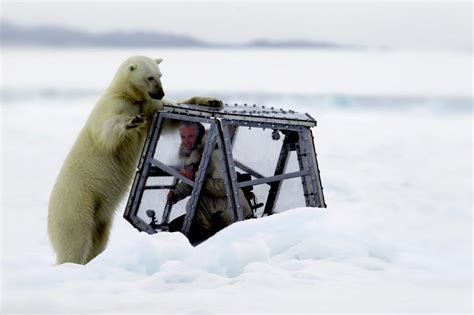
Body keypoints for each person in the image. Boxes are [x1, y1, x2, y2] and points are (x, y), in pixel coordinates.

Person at [167, 121, 253, 244]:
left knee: (179, 237)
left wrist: (196, 178)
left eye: (190, 136)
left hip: (227, 217)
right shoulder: (195, 155)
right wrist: (176, 194)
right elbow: (192, 182)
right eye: (183, 137)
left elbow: (224, 187)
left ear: (199, 137)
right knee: (174, 230)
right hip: (207, 214)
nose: (186, 141)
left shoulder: (215, 154)